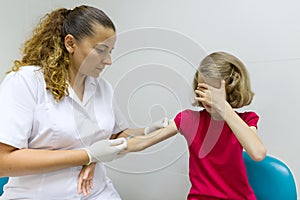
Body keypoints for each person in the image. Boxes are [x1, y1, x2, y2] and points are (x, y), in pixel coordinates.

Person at [0, 5, 167, 200]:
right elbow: (4, 162)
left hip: (98, 192)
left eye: (110, 51)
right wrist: (87, 155)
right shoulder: (27, 82)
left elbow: (115, 134)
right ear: (70, 44)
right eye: (101, 50)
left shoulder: (102, 88)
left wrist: (146, 131)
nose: (108, 61)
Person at [126, 51, 267, 199]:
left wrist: (223, 107)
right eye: (202, 89)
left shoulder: (246, 120)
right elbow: (143, 142)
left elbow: (257, 153)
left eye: (212, 91)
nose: (207, 97)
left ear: (231, 88)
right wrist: (115, 146)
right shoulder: (189, 120)